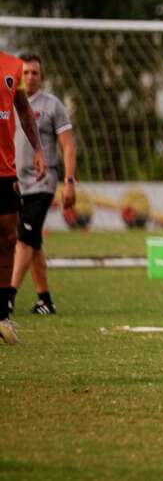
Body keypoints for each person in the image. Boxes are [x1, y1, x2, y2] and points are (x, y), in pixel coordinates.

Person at [9, 54, 76, 316]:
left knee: (24, 239)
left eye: (34, 73)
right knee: (32, 241)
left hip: (42, 183)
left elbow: (68, 144)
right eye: (25, 72)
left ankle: (8, 297)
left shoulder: (52, 105)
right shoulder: (9, 102)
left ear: (41, 76)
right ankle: (45, 300)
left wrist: (69, 182)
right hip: (14, 184)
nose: (29, 77)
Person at [0, 51, 46, 344]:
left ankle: (2, 314)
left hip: (4, 170)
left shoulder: (13, 65)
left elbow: (24, 110)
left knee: (7, 239)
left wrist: (39, 148)